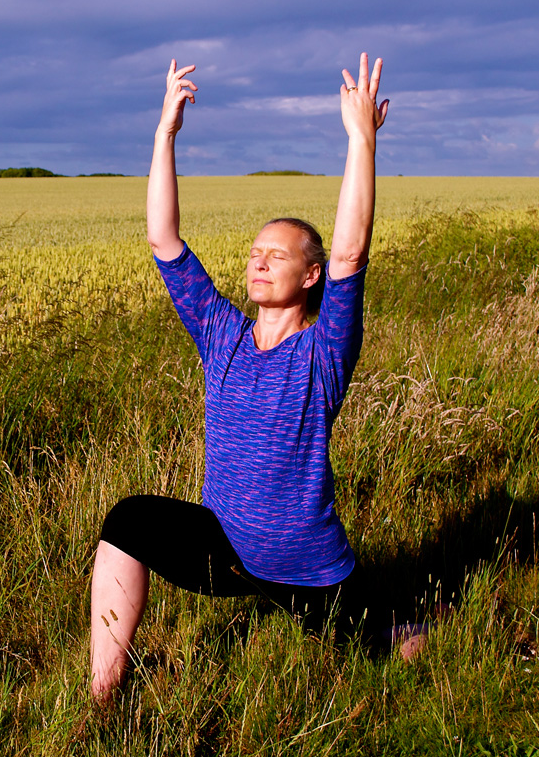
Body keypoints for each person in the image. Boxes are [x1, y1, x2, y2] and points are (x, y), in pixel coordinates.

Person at [89, 52, 391, 701]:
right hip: (224, 550)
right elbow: (163, 239)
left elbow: (351, 251)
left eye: (275, 255)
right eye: (254, 253)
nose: (258, 263)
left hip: (309, 572)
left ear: (309, 277)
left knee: (389, 646)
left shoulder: (324, 351)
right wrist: (164, 133)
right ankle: (105, 690)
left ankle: (429, 627)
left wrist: (361, 139)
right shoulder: (221, 333)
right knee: (127, 523)